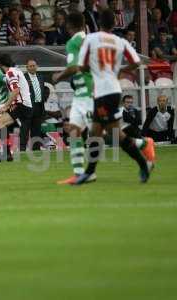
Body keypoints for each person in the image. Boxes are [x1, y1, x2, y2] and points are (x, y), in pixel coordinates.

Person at [75, 9, 155, 185]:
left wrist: (94, 70)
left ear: (99, 23)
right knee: (102, 132)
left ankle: (143, 163)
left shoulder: (91, 38)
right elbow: (136, 62)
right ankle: (91, 172)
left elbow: (81, 66)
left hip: (103, 92)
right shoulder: (121, 41)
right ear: (113, 24)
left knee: (108, 134)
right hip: (114, 90)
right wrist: (120, 70)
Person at [52, 12, 96, 184]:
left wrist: (58, 76)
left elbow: (73, 67)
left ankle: (142, 145)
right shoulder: (91, 40)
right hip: (84, 93)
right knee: (74, 131)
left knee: (107, 133)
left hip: (87, 94)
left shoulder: (73, 42)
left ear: (68, 26)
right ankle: (80, 174)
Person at [0, 52, 33, 161]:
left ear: (0, 64)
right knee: (3, 123)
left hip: (22, 105)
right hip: (25, 105)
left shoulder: (10, 73)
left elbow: (16, 90)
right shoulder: (16, 71)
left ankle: (6, 154)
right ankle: (9, 153)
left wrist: (6, 106)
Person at [24, 59, 46, 151]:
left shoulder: (41, 77)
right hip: (28, 107)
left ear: (37, 66)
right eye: (30, 66)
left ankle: (36, 148)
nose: (33, 67)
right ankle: (22, 148)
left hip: (39, 106)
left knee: (36, 129)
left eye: (34, 65)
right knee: (25, 129)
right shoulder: (23, 78)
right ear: (27, 67)